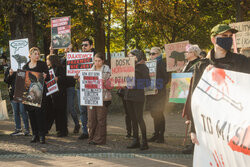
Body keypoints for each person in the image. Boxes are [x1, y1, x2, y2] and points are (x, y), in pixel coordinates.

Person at [188, 24, 250, 146]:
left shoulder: (242, 61)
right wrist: (193, 129)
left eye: (229, 36)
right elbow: (195, 99)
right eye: (223, 36)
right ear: (213, 39)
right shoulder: (202, 66)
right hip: (210, 127)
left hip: (235, 125)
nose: (227, 39)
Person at [124, 49, 151, 150]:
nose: (129, 58)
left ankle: (144, 141)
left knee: (139, 118)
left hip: (138, 97)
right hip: (128, 96)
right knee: (132, 119)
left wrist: (134, 84)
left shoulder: (143, 67)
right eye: (128, 56)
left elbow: (147, 83)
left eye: (131, 56)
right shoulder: (127, 68)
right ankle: (135, 140)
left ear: (137, 57)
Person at [23, 47, 49, 144]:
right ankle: (35, 135)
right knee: (32, 114)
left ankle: (42, 135)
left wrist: (45, 76)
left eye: (38, 54)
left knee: (40, 114)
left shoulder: (42, 64)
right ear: (30, 55)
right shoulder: (25, 66)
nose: (37, 56)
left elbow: (48, 77)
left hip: (40, 94)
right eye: (35, 54)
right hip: (29, 95)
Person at [87, 52, 112, 145]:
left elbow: (111, 85)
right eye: (95, 60)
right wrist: (78, 78)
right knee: (91, 119)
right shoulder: (90, 70)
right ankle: (91, 137)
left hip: (103, 98)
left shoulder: (108, 70)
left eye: (99, 61)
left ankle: (99, 139)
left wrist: (105, 82)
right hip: (91, 98)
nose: (97, 63)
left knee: (101, 119)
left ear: (103, 61)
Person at [146, 47, 169, 143]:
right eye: (150, 54)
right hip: (151, 94)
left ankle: (161, 135)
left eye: (153, 53)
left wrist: (157, 87)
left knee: (159, 114)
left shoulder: (162, 64)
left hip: (159, 94)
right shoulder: (148, 65)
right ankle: (156, 134)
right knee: (154, 114)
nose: (151, 55)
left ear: (159, 54)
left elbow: (166, 79)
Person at [181, 44, 201, 154]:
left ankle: (194, 145)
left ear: (193, 53)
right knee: (189, 117)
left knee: (193, 118)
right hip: (187, 94)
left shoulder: (200, 63)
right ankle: (191, 142)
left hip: (195, 95)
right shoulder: (188, 64)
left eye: (187, 52)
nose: (185, 54)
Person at [76, 38, 95, 140]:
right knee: (82, 110)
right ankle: (84, 131)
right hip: (80, 87)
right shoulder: (78, 57)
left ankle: (92, 131)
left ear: (91, 46)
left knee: (91, 110)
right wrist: (76, 76)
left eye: (86, 45)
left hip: (91, 87)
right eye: (82, 45)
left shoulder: (96, 57)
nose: (83, 47)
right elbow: (73, 70)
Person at [4, 67, 30, 136]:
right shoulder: (9, 68)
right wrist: (10, 74)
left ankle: (27, 129)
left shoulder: (25, 66)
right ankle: (18, 129)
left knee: (23, 111)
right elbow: (6, 80)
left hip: (22, 93)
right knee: (16, 112)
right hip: (13, 93)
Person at [46, 54, 68, 137]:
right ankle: (59, 129)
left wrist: (58, 78)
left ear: (52, 60)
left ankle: (63, 131)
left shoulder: (60, 68)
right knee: (55, 112)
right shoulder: (49, 68)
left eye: (47, 59)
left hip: (60, 93)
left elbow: (66, 78)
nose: (46, 61)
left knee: (61, 112)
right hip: (53, 93)